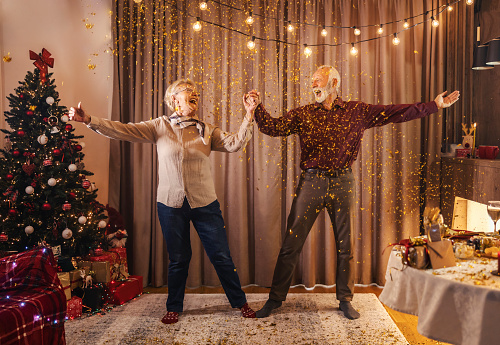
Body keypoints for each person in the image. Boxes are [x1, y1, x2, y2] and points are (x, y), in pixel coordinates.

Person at [246, 65, 460, 320]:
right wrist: (256, 108)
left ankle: (345, 300)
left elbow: (395, 113)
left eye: (319, 81)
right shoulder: (303, 114)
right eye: (312, 81)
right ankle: (275, 300)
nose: (314, 85)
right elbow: (274, 127)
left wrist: (433, 106)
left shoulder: (357, 111)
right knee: (291, 244)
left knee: (345, 245)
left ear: (334, 83)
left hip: (343, 182)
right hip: (311, 182)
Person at [69, 78, 259, 324]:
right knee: (179, 258)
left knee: (221, 256)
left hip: (205, 203)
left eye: (195, 94)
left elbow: (236, 144)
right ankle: (174, 307)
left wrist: (249, 114)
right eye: (186, 93)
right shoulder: (160, 126)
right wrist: (89, 120)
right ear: (173, 100)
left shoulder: (207, 130)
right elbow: (123, 129)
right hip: (170, 205)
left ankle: (240, 302)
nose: (194, 96)